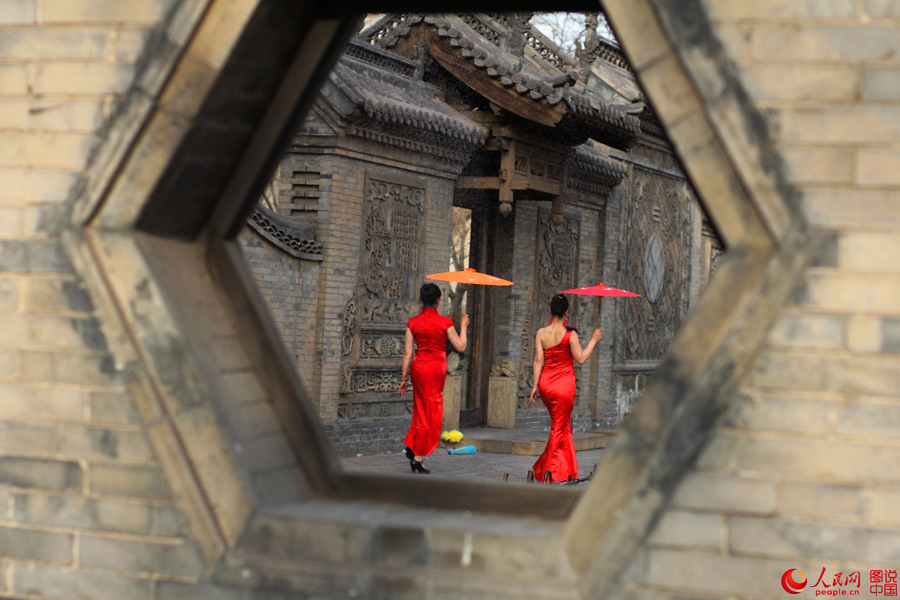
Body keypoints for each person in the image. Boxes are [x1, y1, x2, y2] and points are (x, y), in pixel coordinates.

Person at [529, 294, 601, 483]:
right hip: (563, 387)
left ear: (550, 311)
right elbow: (581, 359)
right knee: (559, 428)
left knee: (562, 426)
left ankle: (564, 469)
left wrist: (535, 385)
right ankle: (550, 473)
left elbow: (538, 360)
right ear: (567, 312)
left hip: (546, 384)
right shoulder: (571, 335)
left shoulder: (541, 333)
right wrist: (593, 340)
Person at [399, 283, 469, 474]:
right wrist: (463, 326)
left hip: (418, 368)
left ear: (422, 300)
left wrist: (403, 378)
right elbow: (461, 346)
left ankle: (413, 448)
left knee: (420, 410)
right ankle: (418, 456)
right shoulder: (445, 323)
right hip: (435, 370)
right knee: (432, 414)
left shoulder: (413, 322)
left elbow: (407, 352)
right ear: (438, 301)